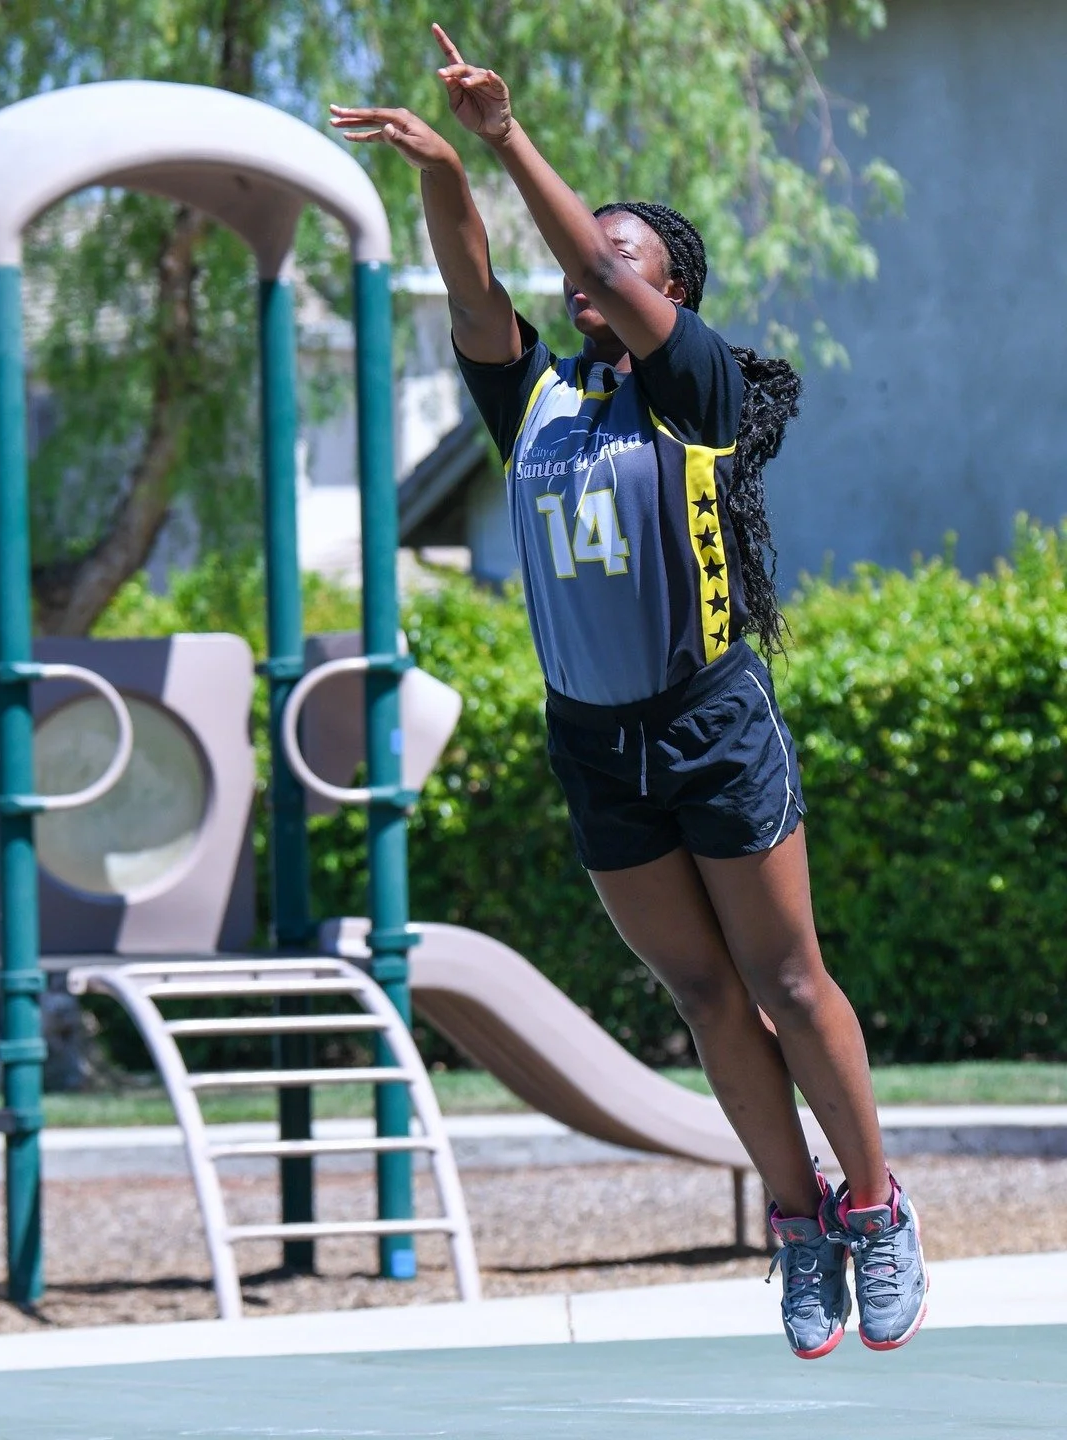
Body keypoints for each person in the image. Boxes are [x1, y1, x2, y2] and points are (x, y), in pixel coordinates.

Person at [330, 25, 927, 1360]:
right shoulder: (538, 402)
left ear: (673, 297)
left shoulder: (697, 394)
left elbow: (583, 258)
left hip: (708, 720)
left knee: (784, 979)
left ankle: (880, 1209)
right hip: (594, 741)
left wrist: (504, 132)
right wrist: (441, 164)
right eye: (592, 267)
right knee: (706, 1000)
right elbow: (475, 287)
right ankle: (801, 1220)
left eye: (621, 266)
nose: (589, 280)